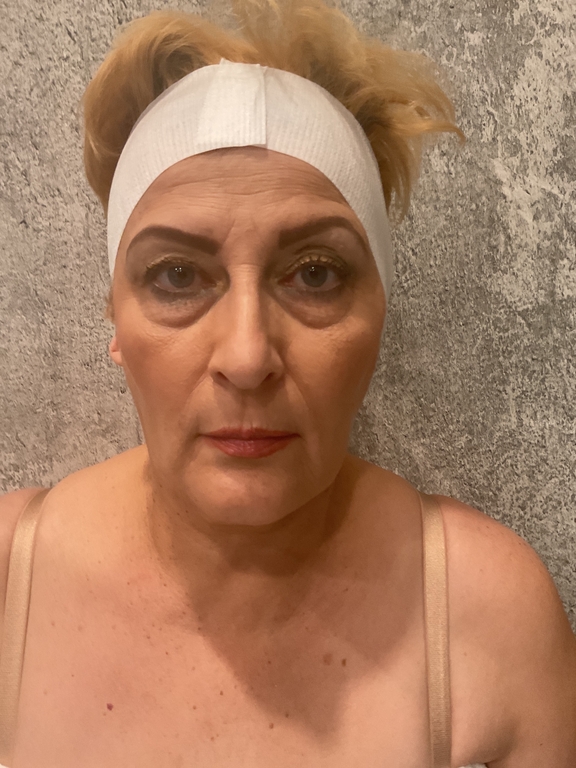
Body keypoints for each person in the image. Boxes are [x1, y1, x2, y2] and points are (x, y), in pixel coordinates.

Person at [0, 1, 574, 766]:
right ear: (115, 318)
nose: (247, 357)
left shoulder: (489, 617)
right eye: (177, 276)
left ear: (379, 314)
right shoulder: (10, 577)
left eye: (315, 274)